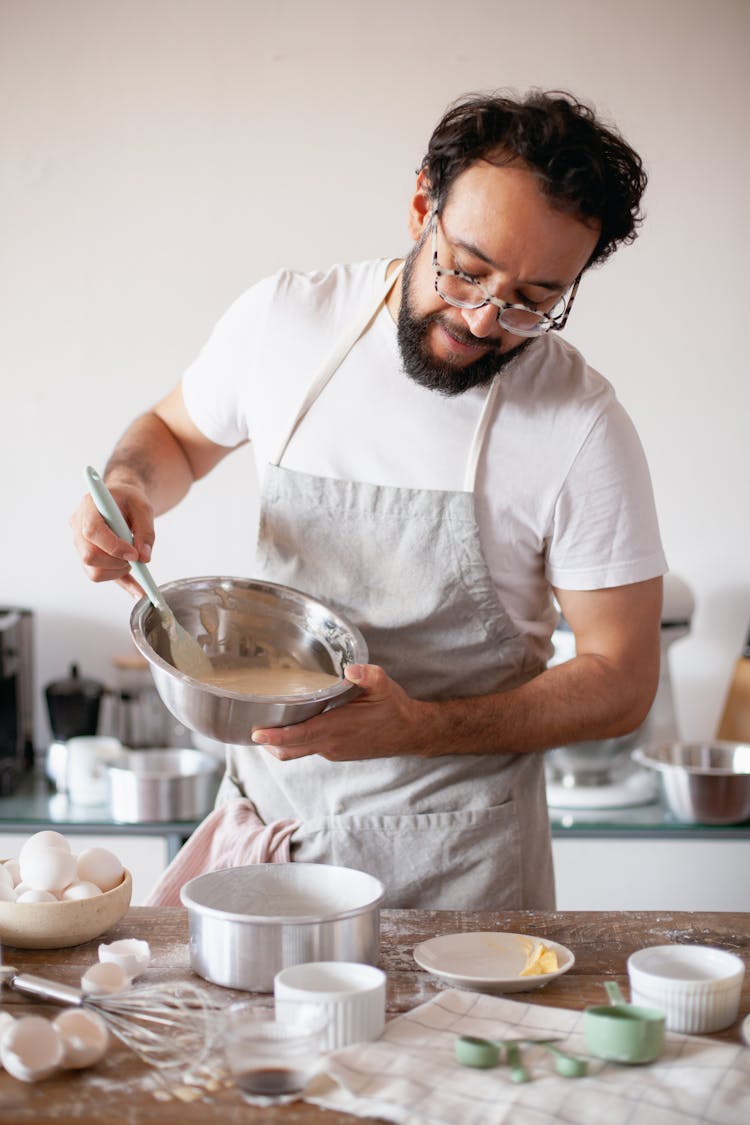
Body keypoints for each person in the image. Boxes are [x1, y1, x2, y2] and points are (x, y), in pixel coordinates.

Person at [71, 89, 666, 910]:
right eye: (466, 269)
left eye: (534, 299)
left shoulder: (581, 424)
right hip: (270, 843)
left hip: (460, 873)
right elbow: (172, 437)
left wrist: (422, 727)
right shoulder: (286, 323)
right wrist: (131, 487)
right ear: (423, 201)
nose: (486, 318)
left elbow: (622, 677)